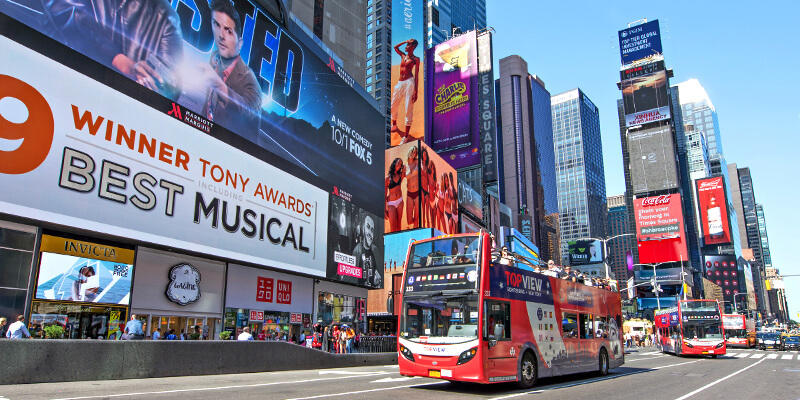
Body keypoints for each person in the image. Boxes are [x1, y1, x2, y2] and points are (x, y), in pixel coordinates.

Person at [43, 0, 184, 99]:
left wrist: (158, 86)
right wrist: (117, 58)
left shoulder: (167, 18)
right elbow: (61, 14)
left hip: (120, 115)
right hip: (60, 87)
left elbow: (173, 84)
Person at [202, 0, 262, 135]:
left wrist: (219, 85)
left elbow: (248, 110)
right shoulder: (215, 57)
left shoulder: (250, 81)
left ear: (240, 43)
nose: (221, 36)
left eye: (228, 31)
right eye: (217, 25)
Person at [390, 38, 420, 143]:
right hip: (400, 82)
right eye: (406, 45)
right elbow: (395, 47)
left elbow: (416, 75)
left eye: (408, 45)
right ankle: (394, 124)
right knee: (393, 104)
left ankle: (406, 137)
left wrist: (416, 91)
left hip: (409, 83)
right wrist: (404, 41)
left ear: (413, 47)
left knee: (408, 108)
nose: (406, 47)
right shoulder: (403, 55)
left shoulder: (416, 59)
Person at [353, 215, 381, 288]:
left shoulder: (375, 250)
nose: (370, 233)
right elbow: (352, 279)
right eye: (368, 227)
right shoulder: (357, 251)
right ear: (363, 229)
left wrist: (377, 282)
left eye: (372, 230)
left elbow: (380, 278)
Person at [385, 157, 406, 231]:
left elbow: (405, 171)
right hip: (391, 203)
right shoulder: (387, 178)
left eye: (401, 164)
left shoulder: (401, 175)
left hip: (400, 201)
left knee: (399, 225)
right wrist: (385, 209)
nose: (399, 165)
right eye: (398, 163)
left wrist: (403, 167)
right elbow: (384, 195)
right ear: (394, 163)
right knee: (393, 227)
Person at [405, 146, 420, 227]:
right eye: (412, 151)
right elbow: (405, 177)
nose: (413, 154)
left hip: (417, 192)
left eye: (415, 152)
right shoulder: (405, 165)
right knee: (409, 220)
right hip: (409, 193)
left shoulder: (417, 162)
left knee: (417, 218)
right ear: (409, 151)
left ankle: (416, 234)